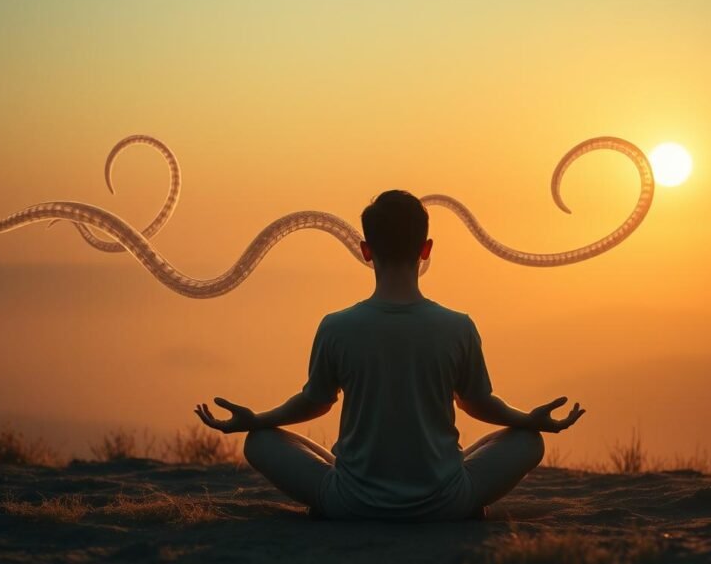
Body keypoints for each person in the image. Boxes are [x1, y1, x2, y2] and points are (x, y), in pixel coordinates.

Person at [195, 190, 586, 521]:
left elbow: (314, 404)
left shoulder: (337, 326)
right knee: (528, 441)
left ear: (366, 251)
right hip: (445, 503)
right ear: (426, 249)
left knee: (259, 443)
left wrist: (257, 420)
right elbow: (478, 404)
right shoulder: (458, 326)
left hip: (350, 503)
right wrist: (528, 419)